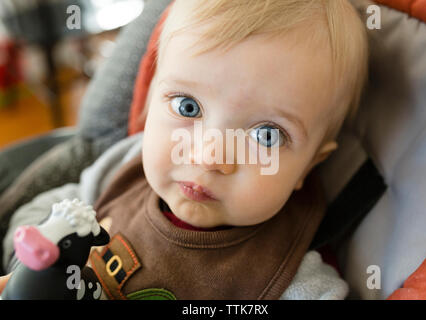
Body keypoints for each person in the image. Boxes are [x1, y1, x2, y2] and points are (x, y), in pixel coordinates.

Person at [1, 0, 368, 299]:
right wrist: (36, 269)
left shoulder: (292, 281)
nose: (208, 157)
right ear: (149, 105)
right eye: (187, 107)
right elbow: (44, 210)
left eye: (267, 135)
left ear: (308, 166)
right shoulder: (127, 164)